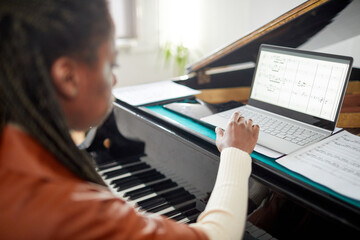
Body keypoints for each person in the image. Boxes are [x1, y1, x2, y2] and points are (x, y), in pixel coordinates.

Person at [0, 0, 259, 239]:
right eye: (111, 65)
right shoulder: (68, 209)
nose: (113, 80)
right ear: (68, 78)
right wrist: (235, 153)